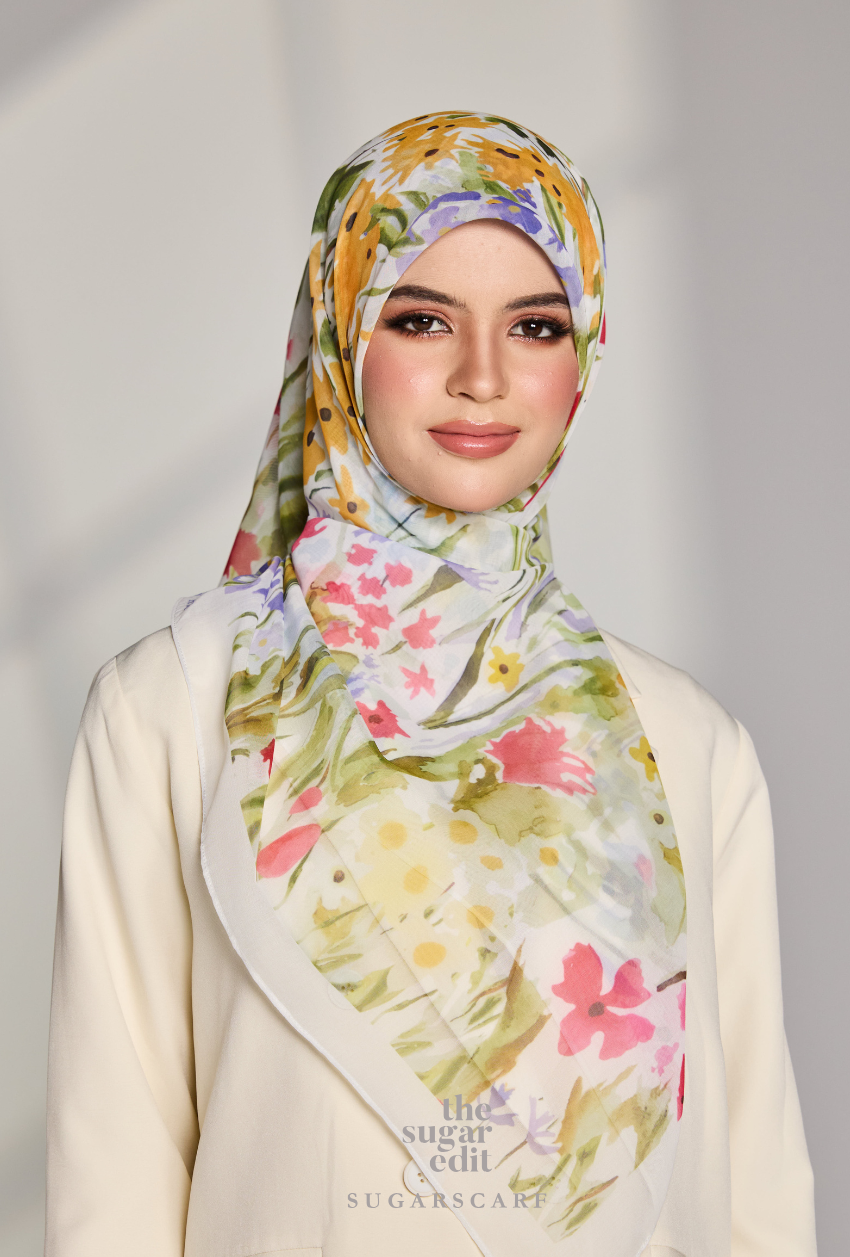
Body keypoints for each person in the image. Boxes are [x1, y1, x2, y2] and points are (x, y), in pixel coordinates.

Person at [45, 112, 816, 1257]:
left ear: (584, 356)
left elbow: (753, 1183)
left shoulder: (684, 737)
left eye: (536, 326)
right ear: (340, 337)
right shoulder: (175, 706)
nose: (483, 378)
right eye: (420, 319)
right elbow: (114, 1170)